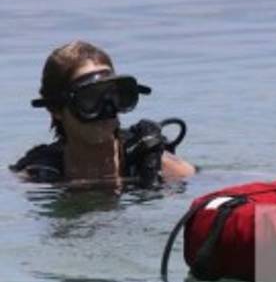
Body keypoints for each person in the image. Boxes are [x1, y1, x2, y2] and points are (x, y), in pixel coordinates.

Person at [11, 40, 196, 186]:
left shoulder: (157, 164)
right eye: (89, 99)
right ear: (56, 109)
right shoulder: (38, 175)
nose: (107, 109)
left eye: (113, 95)